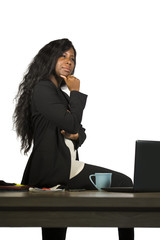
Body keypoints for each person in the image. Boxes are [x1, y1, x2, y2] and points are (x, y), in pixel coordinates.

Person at [13, 38, 134, 240]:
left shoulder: (58, 94)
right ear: (50, 59)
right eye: (63, 56)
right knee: (124, 182)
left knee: (55, 227)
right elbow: (71, 123)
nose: (69, 62)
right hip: (56, 169)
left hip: (64, 166)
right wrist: (76, 92)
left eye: (72, 58)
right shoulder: (43, 89)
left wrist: (76, 134)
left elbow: (78, 128)